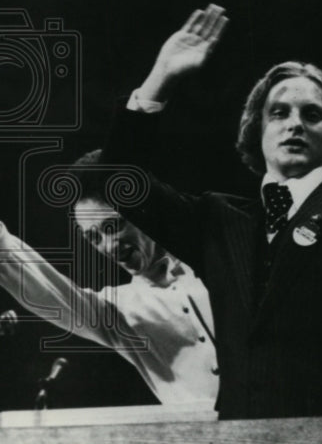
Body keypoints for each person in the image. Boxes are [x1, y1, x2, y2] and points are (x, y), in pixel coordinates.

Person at [99, 5, 322, 419]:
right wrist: (161, 77)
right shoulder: (217, 218)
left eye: (312, 114)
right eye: (279, 112)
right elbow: (118, 183)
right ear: (257, 129)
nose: (295, 124)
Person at [0, 153, 218, 406]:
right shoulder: (118, 311)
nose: (109, 246)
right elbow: (46, 289)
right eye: (94, 238)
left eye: (114, 226)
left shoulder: (222, 264)